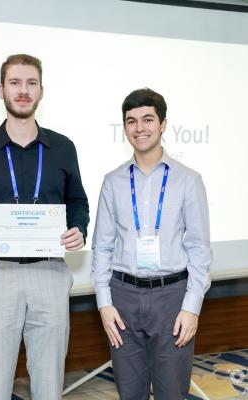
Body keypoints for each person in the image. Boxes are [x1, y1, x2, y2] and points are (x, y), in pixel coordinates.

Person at [0, 54, 89, 400]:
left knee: (49, 382)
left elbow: (77, 201)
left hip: (50, 273)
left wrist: (78, 228)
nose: (23, 90)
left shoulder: (62, 147)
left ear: (41, 91)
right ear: (1, 90)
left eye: (31, 83)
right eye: (15, 83)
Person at [91, 88, 211, 400]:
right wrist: (104, 303)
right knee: (129, 392)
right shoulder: (113, 181)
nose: (139, 128)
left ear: (163, 124)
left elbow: (199, 247)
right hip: (123, 298)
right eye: (131, 121)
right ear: (125, 127)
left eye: (147, 119)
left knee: (172, 392)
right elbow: (102, 247)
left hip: (172, 298)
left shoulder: (188, 180)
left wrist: (192, 307)